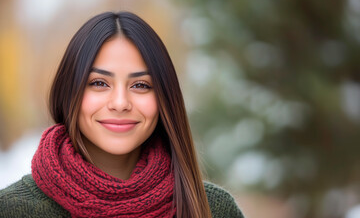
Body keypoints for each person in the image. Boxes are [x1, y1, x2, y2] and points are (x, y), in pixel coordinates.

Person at [0, 11, 244, 218]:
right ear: (68, 92)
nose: (120, 103)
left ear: (165, 99)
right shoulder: (12, 210)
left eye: (140, 85)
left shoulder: (214, 209)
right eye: (99, 83)